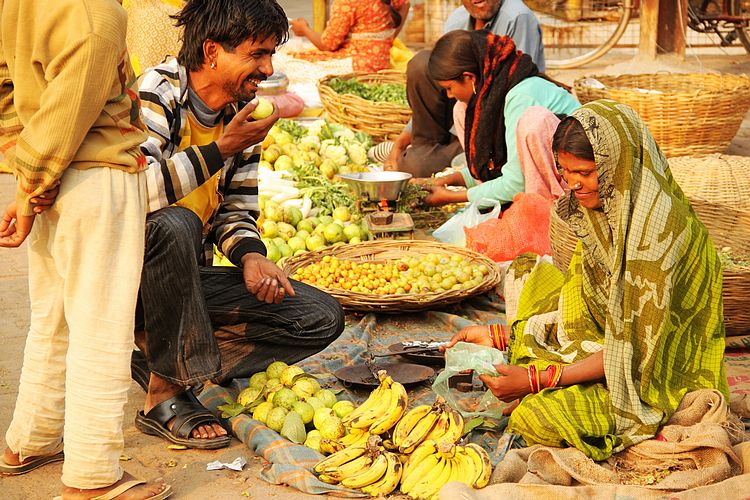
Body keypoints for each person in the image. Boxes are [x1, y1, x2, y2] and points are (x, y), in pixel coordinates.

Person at [445, 100, 728, 460]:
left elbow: (632, 352)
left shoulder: (657, 236)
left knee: (538, 416)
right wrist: (507, 335)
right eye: (565, 172)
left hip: (652, 371)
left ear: (619, 166)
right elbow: (581, 302)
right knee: (524, 270)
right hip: (606, 342)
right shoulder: (603, 210)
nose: (574, 184)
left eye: (585, 172)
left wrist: (538, 380)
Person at [131, 0, 345, 449]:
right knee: (176, 223)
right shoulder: (159, 91)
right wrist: (219, 150)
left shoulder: (241, 113)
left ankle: (164, 358)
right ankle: (164, 393)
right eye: (257, 54)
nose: (267, 68)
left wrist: (251, 257)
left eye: (271, 55)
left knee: (320, 317)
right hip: (132, 281)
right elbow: (134, 193)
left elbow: (236, 211)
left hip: (189, 285)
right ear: (212, 52)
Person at [0, 0, 171, 498]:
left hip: (51, 182)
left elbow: (6, 91)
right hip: (95, 178)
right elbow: (68, 116)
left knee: (53, 319)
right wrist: (31, 193)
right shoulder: (99, 15)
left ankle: (28, 441)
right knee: (102, 327)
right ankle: (93, 477)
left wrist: (25, 182)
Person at [416, 30, 579, 208]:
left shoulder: (521, 99)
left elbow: (517, 183)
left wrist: (453, 197)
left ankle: (542, 214)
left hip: (572, 188)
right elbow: (490, 169)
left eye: (449, 88)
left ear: (469, 78)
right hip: (523, 183)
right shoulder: (486, 101)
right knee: (460, 109)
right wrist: (446, 180)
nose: (449, 95)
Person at [385, 0, 545, 176]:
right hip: (460, 126)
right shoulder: (457, 19)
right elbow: (442, 74)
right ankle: (427, 149)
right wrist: (399, 143)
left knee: (415, 166)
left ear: (469, 77)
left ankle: (453, 158)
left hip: (496, 132)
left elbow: (518, 86)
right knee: (421, 63)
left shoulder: (517, 17)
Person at [290, 0, 410, 72]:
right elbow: (405, 4)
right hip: (382, 61)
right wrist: (389, 36)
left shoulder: (347, 2)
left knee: (291, 63)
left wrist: (304, 29)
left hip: (356, 66)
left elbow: (327, 45)